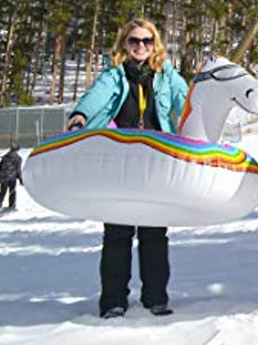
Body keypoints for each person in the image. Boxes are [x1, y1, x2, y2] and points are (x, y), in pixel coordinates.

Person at [67, 18, 189, 319]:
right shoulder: (114, 75)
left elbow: (186, 101)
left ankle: (156, 298)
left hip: (155, 159)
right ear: (124, 44)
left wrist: (199, 123)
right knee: (117, 233)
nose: (140, 47)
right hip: (120, 161)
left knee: (154, 233)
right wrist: (80, 115)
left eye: (147, 41)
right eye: (134, 41)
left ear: (155, 44)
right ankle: (113, 301)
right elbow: (95, 97)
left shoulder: (166, 74)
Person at [0, 141, 23, 210]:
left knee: (3, 191)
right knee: (12, 191)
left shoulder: (5, 156)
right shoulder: (18, 158)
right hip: (12, 177)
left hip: (3, 177)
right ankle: (12, 205)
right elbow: (18, 169)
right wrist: (20, 179)